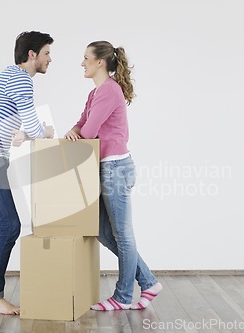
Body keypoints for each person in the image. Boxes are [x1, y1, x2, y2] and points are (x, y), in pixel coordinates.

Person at [64, 41, 162, 311]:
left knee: (122, 235)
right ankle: (149, 281)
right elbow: (82, 121)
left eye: (85, 58)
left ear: (100, 62)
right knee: (103, 231)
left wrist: (78, 132)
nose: (82, 63)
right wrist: (75, 129)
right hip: (106, 168)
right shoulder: (96, 93)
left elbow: (89, 131)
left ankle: (122, 296)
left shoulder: (109, 91)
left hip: (116, 168)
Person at [0, 31, 54, 315]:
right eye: (47, 53)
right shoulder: (20, 81)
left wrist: (25, 133)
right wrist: (46, 131)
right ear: (32, 54)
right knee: (10, 226)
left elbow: (18, 125)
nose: (49, 59)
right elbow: (37, 128)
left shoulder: (7, 76)